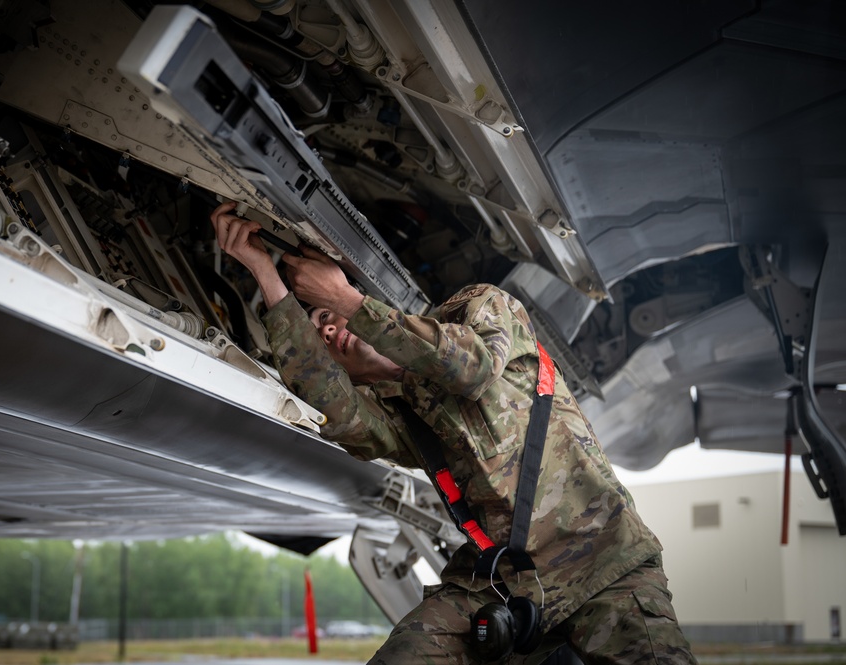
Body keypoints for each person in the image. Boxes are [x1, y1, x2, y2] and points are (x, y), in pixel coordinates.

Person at [210, 201, 696, 664]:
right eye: (319, 337)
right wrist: (266, 276)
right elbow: (341, 416)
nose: (328, 329)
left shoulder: (478, 308)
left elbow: (473, 370)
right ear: (347, 374)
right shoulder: (403, 420)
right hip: (504, 581)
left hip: (605, 563)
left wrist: (345, 299)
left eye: (323, 315)